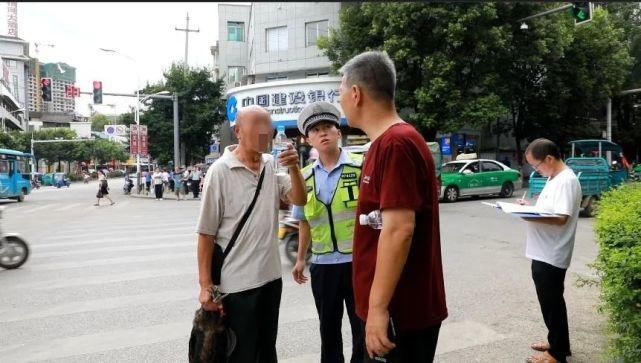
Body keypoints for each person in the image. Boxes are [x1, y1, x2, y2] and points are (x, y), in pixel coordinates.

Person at [338, 51, 447, 361]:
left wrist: (377, 309)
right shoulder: (384, 144)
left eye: (340, 92)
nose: (340, 101)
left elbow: (399, 230)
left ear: (356, 93)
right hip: (391, 312)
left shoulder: (396, 144)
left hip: (400, 314)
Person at [196, 105, 306, 363]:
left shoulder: (270, 164)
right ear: (238, 132)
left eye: (268, 126)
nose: (264, 132)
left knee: (267, 350)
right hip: (236, 284)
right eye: (256, 125)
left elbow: (299, 200)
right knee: (240, 353)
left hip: (270, 279)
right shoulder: (220, 171)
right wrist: (205, 286)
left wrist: (294, 169)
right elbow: (205, 234)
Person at [291, 102, 365, 363]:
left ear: (338, 133)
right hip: (323, 264)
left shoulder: (360, 168)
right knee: (328, 330)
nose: (322, 133)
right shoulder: (303, 176)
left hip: (359, 263)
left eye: (327, 127)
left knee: (363, 329)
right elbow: (303, 221)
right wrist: (301, 259)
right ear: (308, 138)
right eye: (316, 130)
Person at [519, 138, 581, 363]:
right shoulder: (555, 177)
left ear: (549, 158)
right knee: (550, 302)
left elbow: (561, 218)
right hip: (543, 251)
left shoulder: (566, 180)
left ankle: (557, 353)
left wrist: (525, 215)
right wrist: (530, 208)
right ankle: (556, 342)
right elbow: (550, 209)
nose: (536, 170)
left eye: (536, 166)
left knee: (552, 303)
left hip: (551, 253)